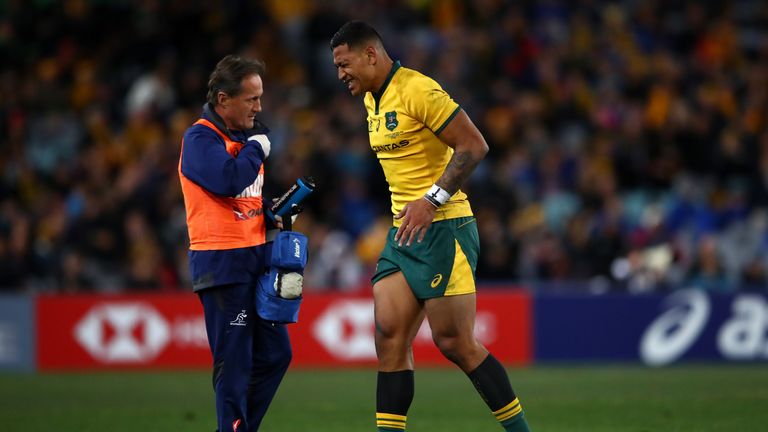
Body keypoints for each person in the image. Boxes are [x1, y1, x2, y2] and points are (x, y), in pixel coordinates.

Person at [331, 21, 532, 432]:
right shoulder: (373, 100)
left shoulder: (418, 90)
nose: (340, 75)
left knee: (455, 343)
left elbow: (474, 145)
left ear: (371, 54)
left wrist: (432, 199)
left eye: (344, 63)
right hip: (404, 233)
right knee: (389, 339)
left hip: (445, 226)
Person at [178, 55, 292, 432]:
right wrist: (257, 149)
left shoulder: (242, 139)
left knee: (277, 354)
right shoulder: (199, 138)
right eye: (251, 99)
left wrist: (267, 212)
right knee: (235, 362)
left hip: (254, 262)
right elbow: (227, 180)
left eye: (260, 98)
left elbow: (242, 196)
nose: (259, 107)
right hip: (223, 266)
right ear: (223, 100)